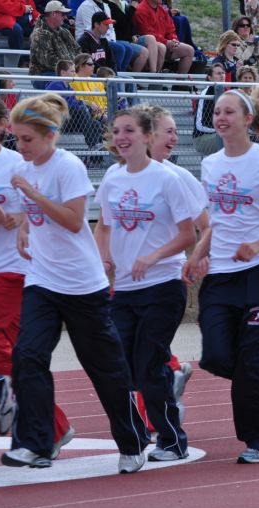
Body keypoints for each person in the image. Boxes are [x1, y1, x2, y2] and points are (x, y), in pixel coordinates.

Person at [2, 93, 150, 471]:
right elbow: (26, 214)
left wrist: (32, 194)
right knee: (27, 355)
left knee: (105, 369)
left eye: (26, 139)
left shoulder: (67, 166)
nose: (20, 147)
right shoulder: (25, 167)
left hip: (83, 285)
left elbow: (71, 220)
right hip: (41, 279)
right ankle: (37, 442)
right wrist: (22, 229)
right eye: (15, 139)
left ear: (49, 134)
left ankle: (132, 442)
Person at [182, 88, 259, 464]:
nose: (221, 117)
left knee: (250, 359)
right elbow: (217, 221)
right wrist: (197, 254)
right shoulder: (211, 163)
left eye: (229, 112)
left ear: (247, 119)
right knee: (216, 356)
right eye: (217, 111)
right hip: (220, 271)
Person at [94, 106, 199, 461]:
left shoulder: (167, 179)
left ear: (147, 136)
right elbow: (104, 225)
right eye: (117, 131)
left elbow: (188, 234)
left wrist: (153, 256)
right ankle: (136, 438)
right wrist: (103, 259)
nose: (121, 137)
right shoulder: (112, 178)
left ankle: (172, 441)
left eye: (129, 131)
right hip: (124, 289)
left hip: (163, 284)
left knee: (149, 365)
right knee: (119, 367)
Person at [0, 94, 75, 455]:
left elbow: (39, 206)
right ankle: (51, 423)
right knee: (16, 352)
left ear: (0, 123)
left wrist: (20, 218)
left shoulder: (15, 164)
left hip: (12, 267)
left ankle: (3, 393)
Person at [130, 104, 206, 430]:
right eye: (169, 130)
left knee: (144, 349)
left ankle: (156, 414)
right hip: (130, 277)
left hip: (165, 276)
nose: (175, 137)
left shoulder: (179, 176)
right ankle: (170, 376)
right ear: (149, 135)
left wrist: (200, 254)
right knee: (134, 350)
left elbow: (206, 223)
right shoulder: (124, 173)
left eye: (177, 130)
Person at [44, 59, 104, 149]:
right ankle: (93, 143)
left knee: (95, 124)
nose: (74, 74)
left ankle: (96, 157)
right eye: (72, 71)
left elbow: (75, 102)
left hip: (70, 120)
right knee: (81, 109)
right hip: (58, 121)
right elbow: (66, 104)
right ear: (63, 72)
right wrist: (85, 104)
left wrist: (90, 109)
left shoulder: (69, 87)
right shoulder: (55, 85)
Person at [75, 0, 148, 73]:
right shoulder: (86, 6)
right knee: (119, 49)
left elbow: (111, 28)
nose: (107, 27)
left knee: (128, 50)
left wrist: (112, 40)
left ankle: (118, 74)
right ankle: (116, 77)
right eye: (105, 25)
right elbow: (91, 28)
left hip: (104, 39)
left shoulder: (106, 6)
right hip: (92, 40)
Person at [28, 1, 81, 90]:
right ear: (53, 14)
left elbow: (78, 50)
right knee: (71, 81)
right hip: (43, 75)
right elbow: (48, 61)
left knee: (93, 78)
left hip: (66, 71)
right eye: (63, 14)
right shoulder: (40, 34)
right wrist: (71, 70)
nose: (65, 17)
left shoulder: (64, 31)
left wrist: (80, 67)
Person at [133, 0, 194, 74]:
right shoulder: (141, 9)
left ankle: (180, 84)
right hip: (148, 44)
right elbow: (147, 33)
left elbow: (171, 29)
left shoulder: (161, 9)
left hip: (164, 43)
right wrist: (166, 42)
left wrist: (173, 40)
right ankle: (155, 77)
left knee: (189, 50)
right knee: (161, 47)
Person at [107, 0, 165, 74]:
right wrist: (132, 8)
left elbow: (131, 23)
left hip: (130, 38)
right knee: (144, 52)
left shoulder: (123, 4)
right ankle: (134, 79)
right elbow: (122, 23)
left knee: (151, 38)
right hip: (119, 39)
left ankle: (154, 72)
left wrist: (134, 34)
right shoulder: (109, 5)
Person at [193, 63, 225, 156]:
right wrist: (218, 130)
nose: (222, 75)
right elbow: (199, 125)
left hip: (218, 134)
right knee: (230, 137)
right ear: (210, 77)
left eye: (223, 73)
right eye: (218, 73)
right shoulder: (205, 94)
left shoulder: (225, 92)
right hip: (201, 138)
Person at [71, 52, 108, 120]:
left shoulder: (97, 82)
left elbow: (105, 100)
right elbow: (77, 100)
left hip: (102, 116)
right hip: (86, 117)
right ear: (81, 65)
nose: (93, 66)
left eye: (93, 64)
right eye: (90, 64)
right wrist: (90, 104)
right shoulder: (72, 82)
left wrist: (105, 113)